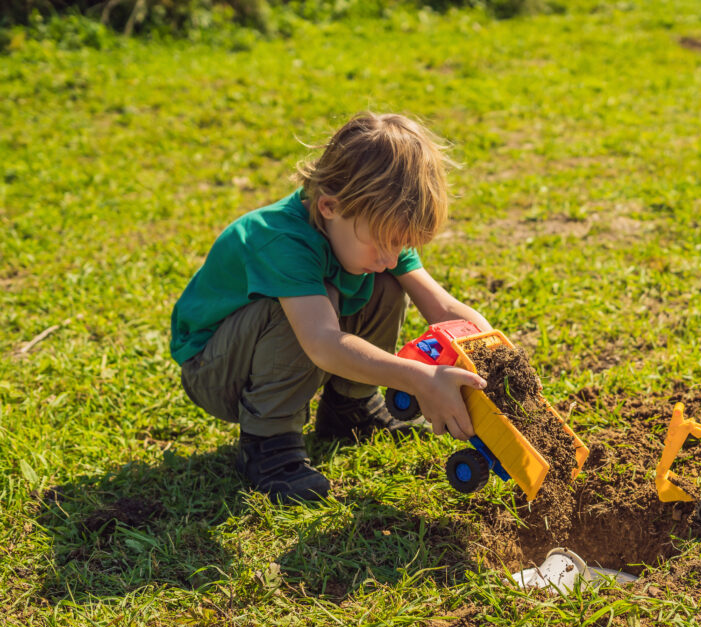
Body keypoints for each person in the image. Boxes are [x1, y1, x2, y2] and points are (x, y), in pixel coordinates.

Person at [170, 112, 491, 504]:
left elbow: (441, 306)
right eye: (383, 242)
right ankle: (268, 445)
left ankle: (349, 409)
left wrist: (495, 353)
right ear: (329, 207)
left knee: (388, 284)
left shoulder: (370, 233)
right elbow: (322, 343)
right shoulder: (282, 240)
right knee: (298, 309)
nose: (392, 256)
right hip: (217, 370)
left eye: (401, 243)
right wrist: (421, 379)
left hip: (278, 351)